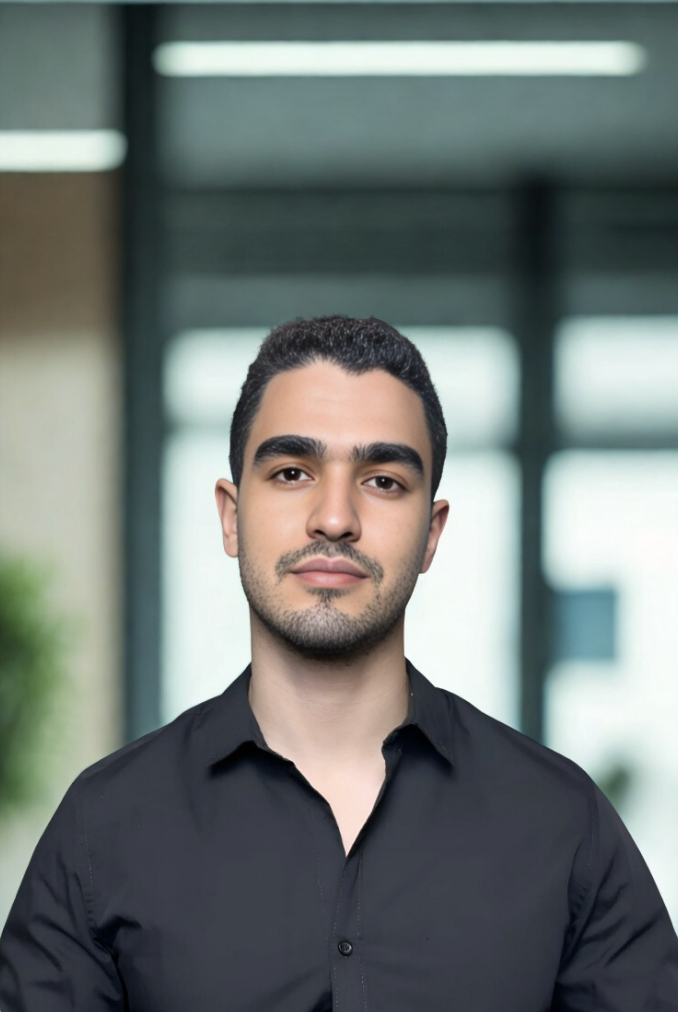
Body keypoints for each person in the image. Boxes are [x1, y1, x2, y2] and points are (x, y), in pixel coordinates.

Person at [1, 315, 677, 1011]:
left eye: (382, 480)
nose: (333, 517)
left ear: (430, 535)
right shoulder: (105, 827)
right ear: (231, 517)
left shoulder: (563, 826)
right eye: (292, 472)